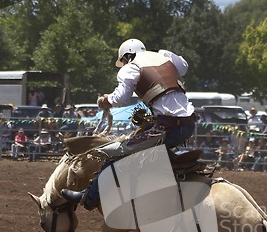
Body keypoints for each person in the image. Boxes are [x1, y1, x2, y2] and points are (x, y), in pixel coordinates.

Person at [61, 38, 195, 209]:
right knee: (160, 152)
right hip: (188, 125)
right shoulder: (164, 56)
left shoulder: (131, 67)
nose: (123, 64)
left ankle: (89, 198)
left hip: (167, 128)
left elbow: (122, 97)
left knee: (117, 155)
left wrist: (106, 99)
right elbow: (184, 67)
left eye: (123, 60)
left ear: (127, 56)